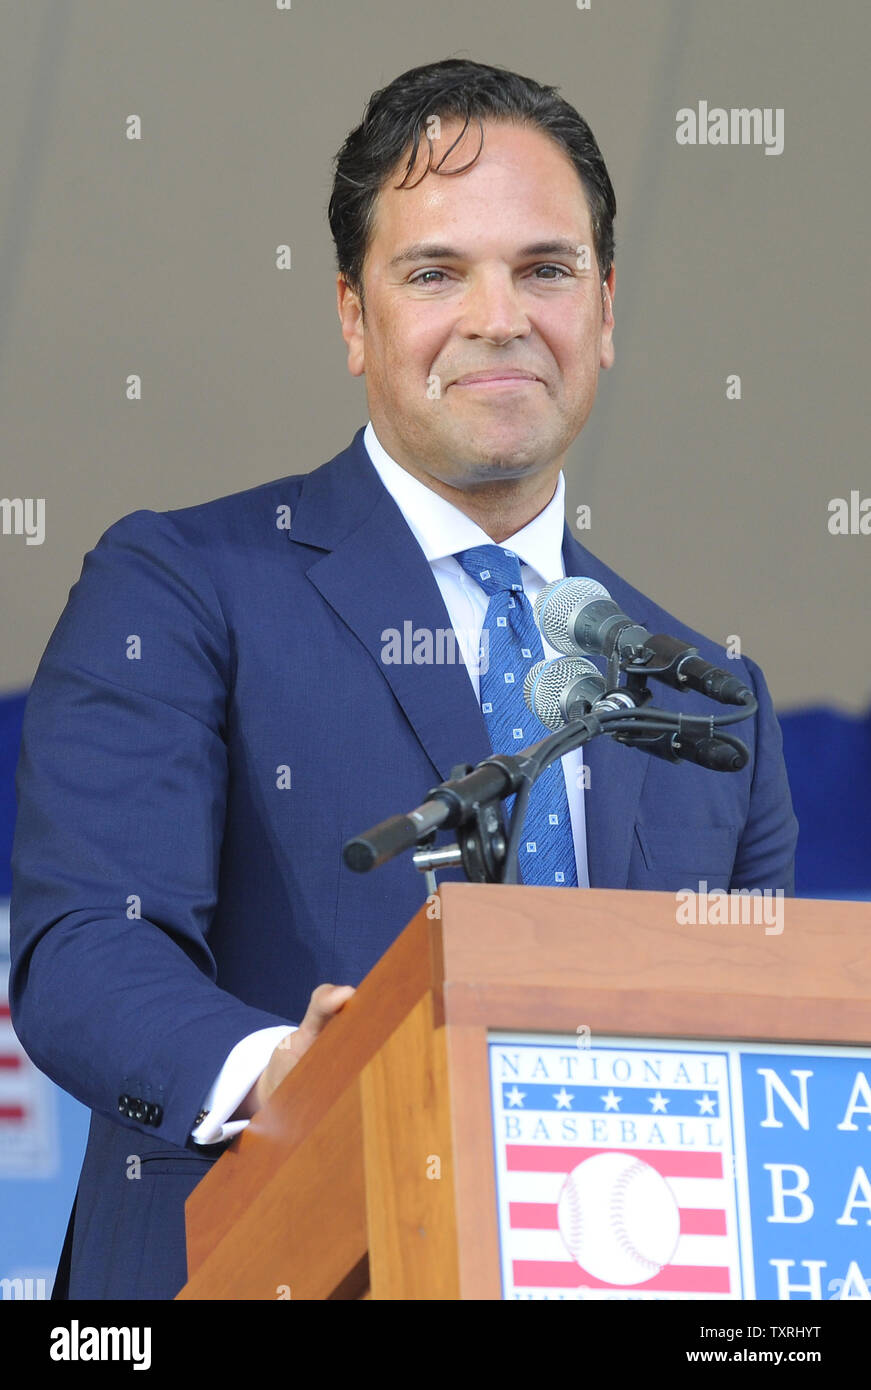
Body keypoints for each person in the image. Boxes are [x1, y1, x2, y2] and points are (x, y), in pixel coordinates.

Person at [9, 57, 797, 1300]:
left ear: (604, 311)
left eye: (545, 269)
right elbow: (85, 954)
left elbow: (771, 1071)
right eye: (435, 273)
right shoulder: (182, 581)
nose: (499, 316)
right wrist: (286, 1075)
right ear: (349, 315)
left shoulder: (705, 692)